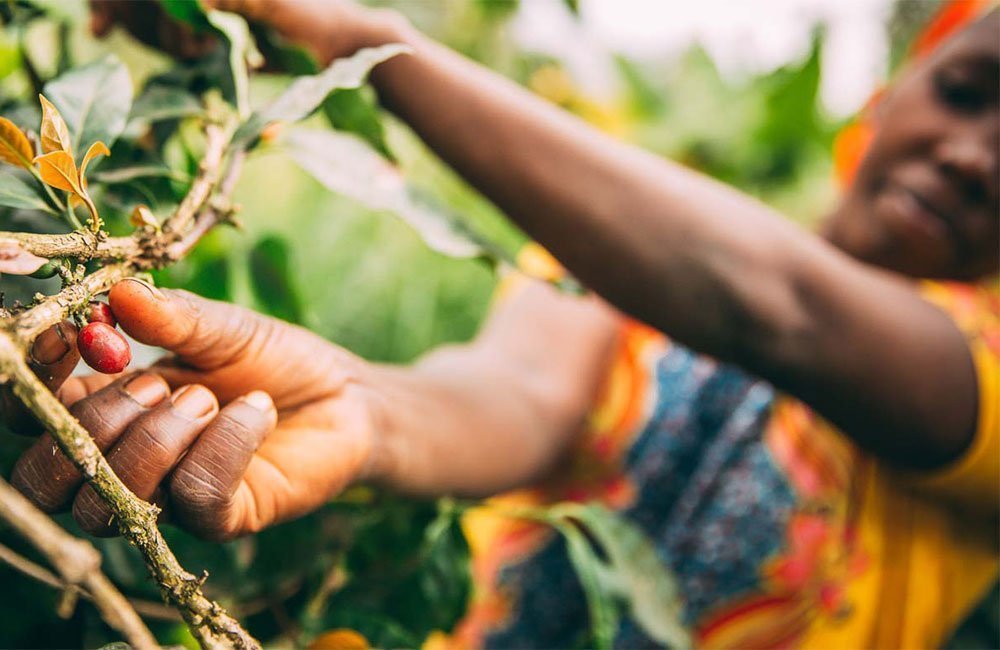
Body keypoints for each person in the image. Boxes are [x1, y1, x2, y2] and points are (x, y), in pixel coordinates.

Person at [10, 0, 998, 647]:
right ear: (890, 88)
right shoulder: (632, 247)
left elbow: (775, 303)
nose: (973, 158)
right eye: (964, 93)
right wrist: (360, 407)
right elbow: (516, 397)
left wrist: (364, 46)